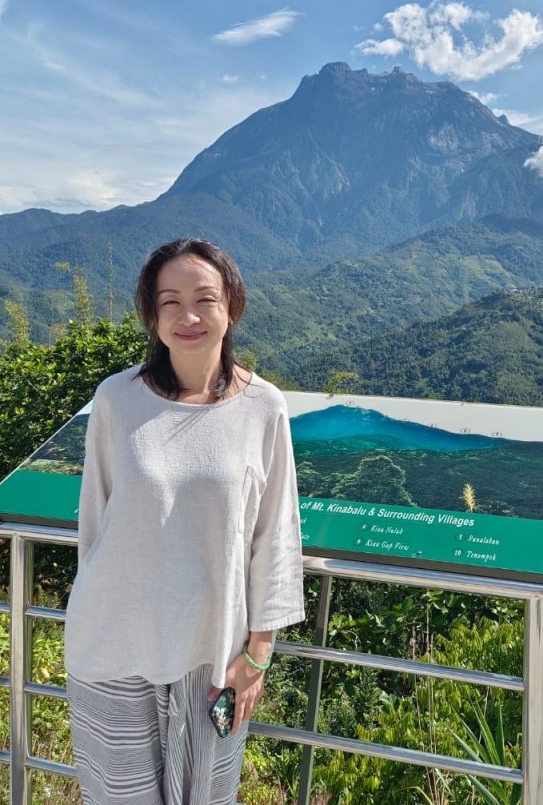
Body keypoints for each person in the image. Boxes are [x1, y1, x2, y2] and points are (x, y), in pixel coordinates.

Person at [64, 238, 305, 805]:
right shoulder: (117, 399)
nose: (188, 316)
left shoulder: (264, 407)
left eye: (205, 298)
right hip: (112, 651)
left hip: (213, 657)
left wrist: (258, 653)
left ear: (232, 306)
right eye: (169, 302)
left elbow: (275, 534)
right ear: (152, 314)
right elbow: (95, 526)